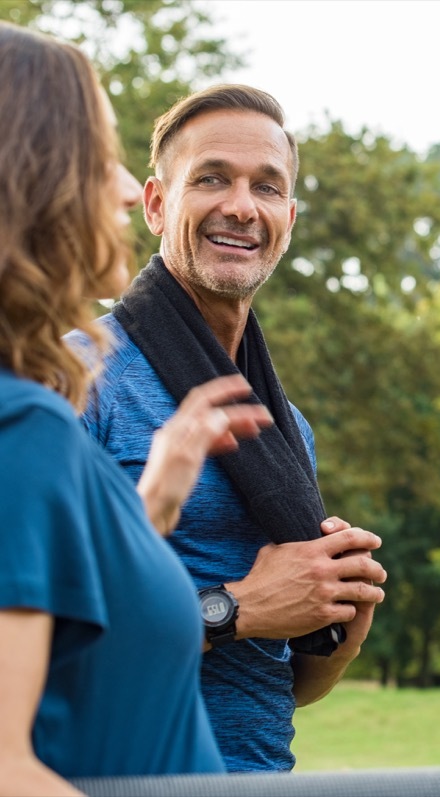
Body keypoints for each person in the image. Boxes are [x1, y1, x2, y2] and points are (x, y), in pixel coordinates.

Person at [72, 84, 388, 773]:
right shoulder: (77, 377)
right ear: (156, 205)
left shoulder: (285, 427)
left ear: (289, 217)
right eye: (212, 178)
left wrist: (337, 628)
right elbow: (40, 638)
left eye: (267, 188)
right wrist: (235, 607)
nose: (242, 207)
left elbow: (282, 687)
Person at [0, 22, 278, 796]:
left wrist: (150, 505)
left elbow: (74, 629)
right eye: (102, 159)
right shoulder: (27, 423)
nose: (125, 189)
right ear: (33, 184)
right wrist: (240, 606)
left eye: (266, 184)